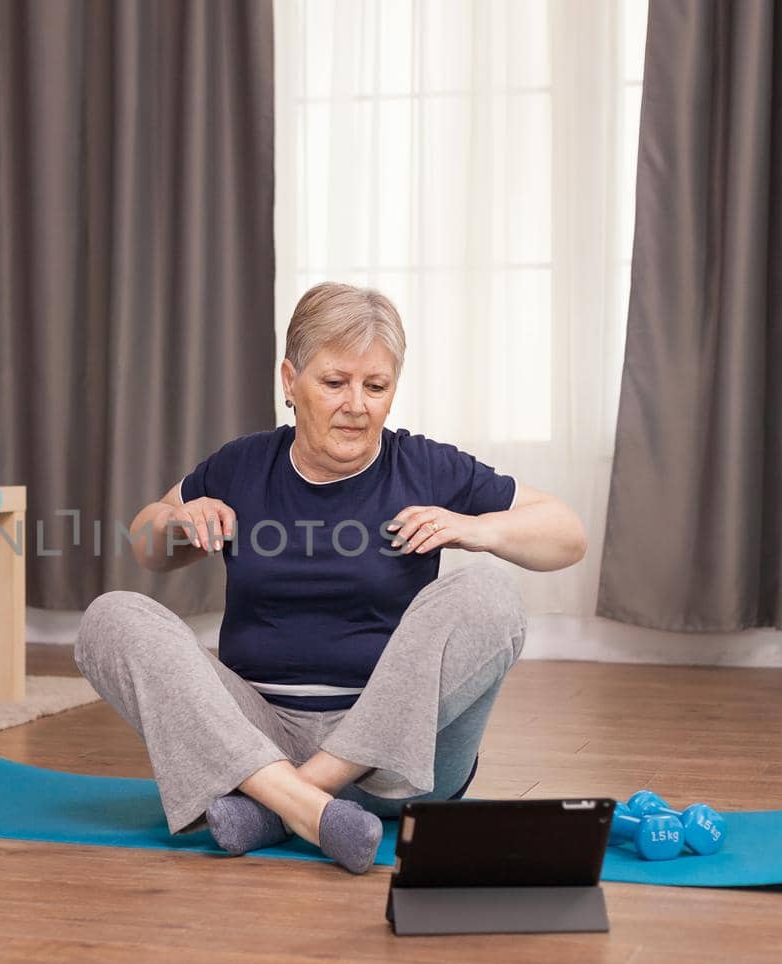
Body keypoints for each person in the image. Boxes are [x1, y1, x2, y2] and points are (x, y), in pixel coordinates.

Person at [73, 282, 588, 873]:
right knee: (111, 617)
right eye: (334, 382)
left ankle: (281, 806)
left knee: (489, 593)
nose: (356, 404)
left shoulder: (424, 465)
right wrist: (178, 520)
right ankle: (305, 805)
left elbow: (566, 533)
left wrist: (473, 527)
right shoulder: (242, 464)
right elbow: (147, 545)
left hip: (397, 766)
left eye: (376, 387)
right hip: (256, 737)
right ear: (290, 381)